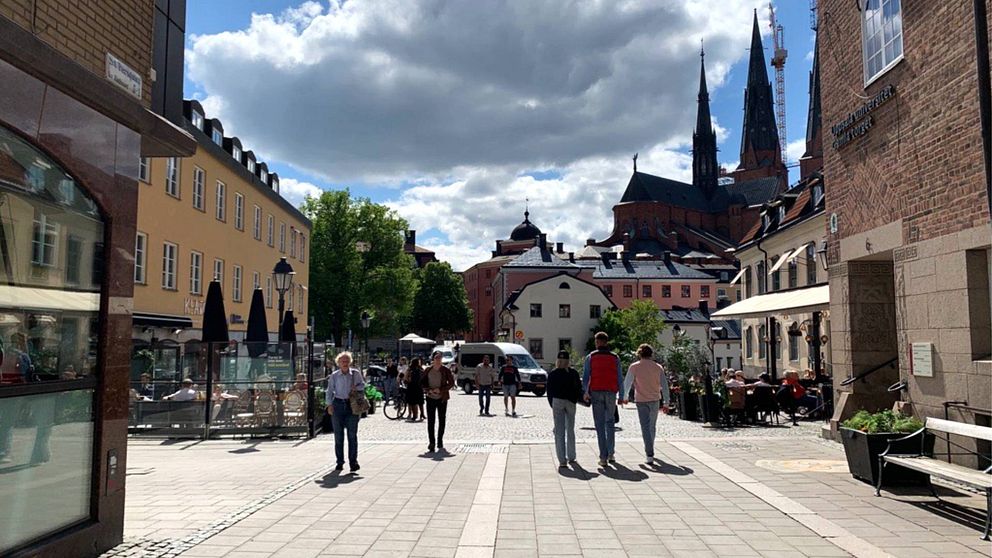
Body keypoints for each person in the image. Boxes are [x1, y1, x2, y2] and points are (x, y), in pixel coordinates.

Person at [621, 344, 670, 464]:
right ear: (651, 354)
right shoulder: (658, 367)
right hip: (655, 399)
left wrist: (625, 396)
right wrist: (666, 402)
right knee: (652, 426)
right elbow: (664, 386)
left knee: (645, 427)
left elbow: (627, 382)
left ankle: (649, 452)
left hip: (641, 400)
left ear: (639, 354)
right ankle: (650, 448)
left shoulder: (634, 367)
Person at [583, 331, 623, 467]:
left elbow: (586, 376)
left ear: (597, 342)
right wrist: (622, 395)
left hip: (596, 391)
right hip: (611, 392)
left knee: (599, 425)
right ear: (606, 342)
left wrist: (586, 392)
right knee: (610, 422)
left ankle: (603, 457)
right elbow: (619, 377)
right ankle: (611, 453)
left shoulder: (591, 357)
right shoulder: (615, 357)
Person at [328, 351, 364, 472]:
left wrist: (357, 387)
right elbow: (329, 390)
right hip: (338, 404)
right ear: (338, 363)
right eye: (343, 361)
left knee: (352, 436)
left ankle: (353, 462)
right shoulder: (334, 375)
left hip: (351, 405)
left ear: (350, 362)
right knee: (338, 436)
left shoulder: (355, 374)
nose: (345, 363)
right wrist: (329, 404)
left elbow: (363, 385)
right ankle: (339, 462)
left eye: (347, 361)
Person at [547, 350, 582, 468]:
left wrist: (552, 404)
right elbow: (578, 388)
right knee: (570, 430)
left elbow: (549, 391)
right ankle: (572, 456)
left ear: (558, 360)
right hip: (571, 402)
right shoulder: (573, 373)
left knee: (559, 431)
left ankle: (562, 460)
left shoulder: (553, 373)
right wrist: (575, 399)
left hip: (557, 401)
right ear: (568, 361)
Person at [421, 351, 455, 452]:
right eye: (436, 357)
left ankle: (440, 440)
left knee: (442, 419)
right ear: (433, 359)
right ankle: (432, 442)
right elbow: (422, 382)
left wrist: (441, 390)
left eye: (440, 357)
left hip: (442, 398)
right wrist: (428, 390)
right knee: (431, 421)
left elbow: (451, 383)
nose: (438, 359)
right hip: (430, 397)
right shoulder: (428, 370)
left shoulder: (445, 370)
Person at [405, 358, 425, 422]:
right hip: (419, 387)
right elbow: (424, 377)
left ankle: (415, 415)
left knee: (413, 402)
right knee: (420, 402)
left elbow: (406, 378)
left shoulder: (410, 369)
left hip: (411, 387)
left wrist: (406, 381)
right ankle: (422, 414)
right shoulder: (420, 369)